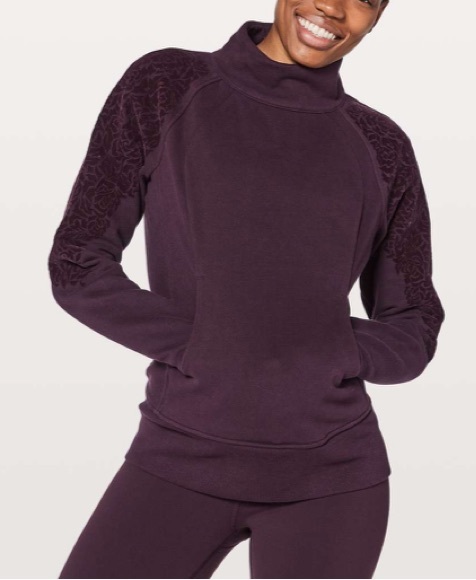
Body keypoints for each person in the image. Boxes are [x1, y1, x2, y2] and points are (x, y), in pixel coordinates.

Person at [49, 0, 445, 577]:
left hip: (333, 479)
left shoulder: (381, 146)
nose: (333, 7)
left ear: (379, 14)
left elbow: (415, 319)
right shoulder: (165, 86)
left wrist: (336, 351)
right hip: (178, 455)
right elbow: (77, 263)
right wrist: (198, 343)